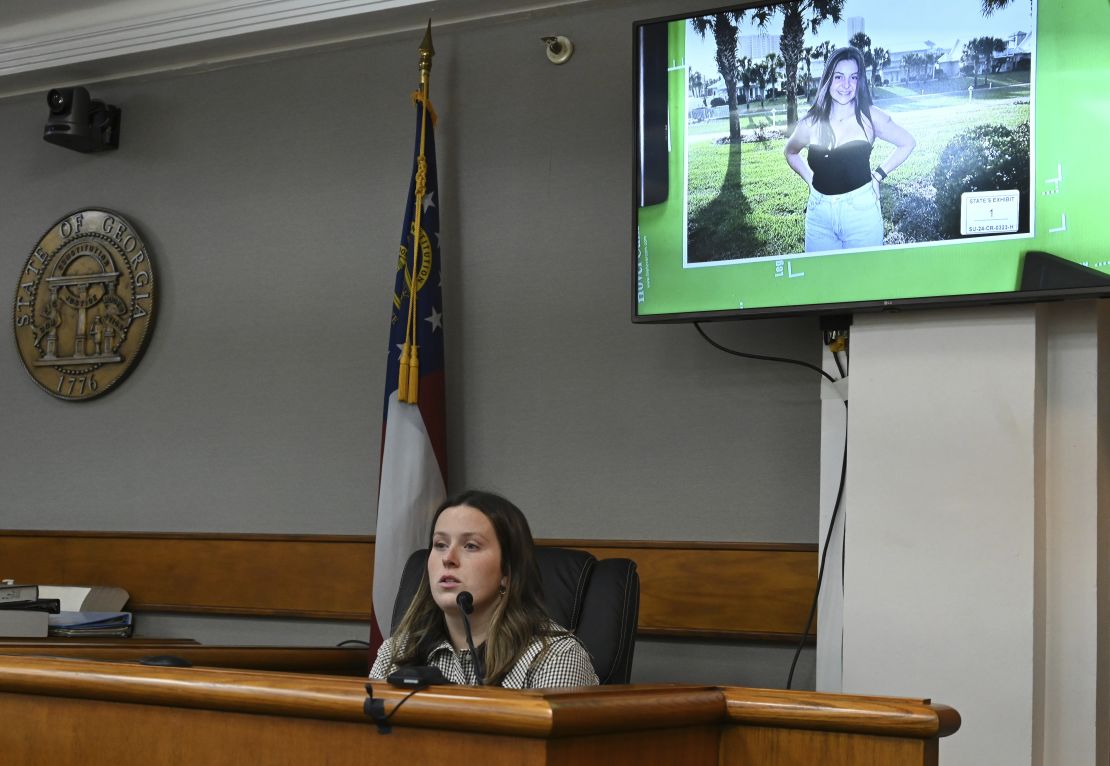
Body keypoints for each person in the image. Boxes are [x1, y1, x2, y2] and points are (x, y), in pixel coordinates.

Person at [370, 490, 599, 688]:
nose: (448, 558)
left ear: (507, 572)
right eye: (440, 545)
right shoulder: (396, 652)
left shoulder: (555, 657)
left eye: (470, 545)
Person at [784, 46, 915, 252]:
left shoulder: (871, 116)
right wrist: (810, 180)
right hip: (819, 217)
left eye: (853, 77)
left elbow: (907, 142)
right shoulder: (811, 121)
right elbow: (790, 152)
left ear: (859, 81)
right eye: (839, 77)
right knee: (821, 280)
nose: (846, 85)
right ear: (828, 79)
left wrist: (878, 176)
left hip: (861, 214)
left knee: (865, 281)